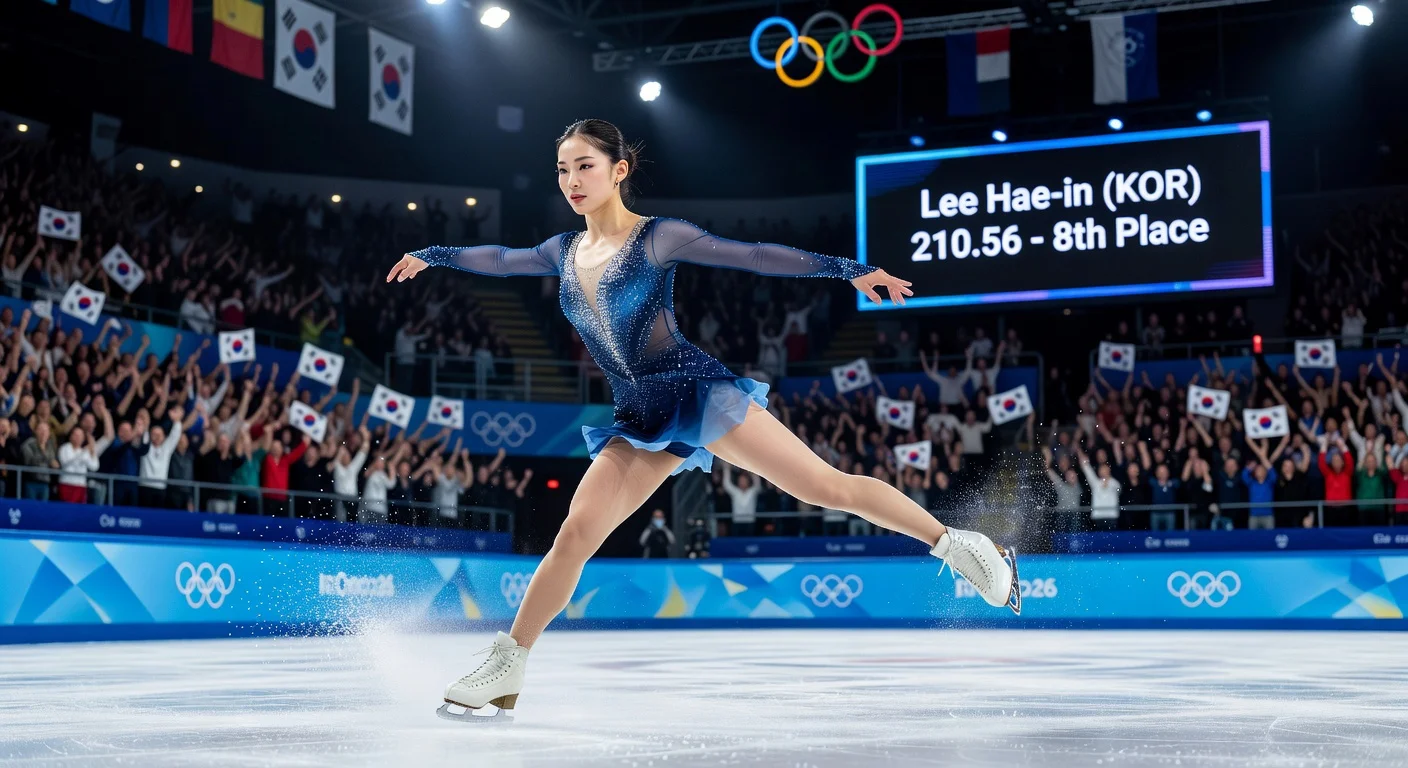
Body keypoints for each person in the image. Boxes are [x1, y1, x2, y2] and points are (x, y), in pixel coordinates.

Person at [386, 119, 1020, 722]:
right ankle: (509, 665)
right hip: (638, 417)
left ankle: (963, 546)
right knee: (576, 533)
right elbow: (501, 259)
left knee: (825, 487)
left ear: (619, 170)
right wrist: (434, 253)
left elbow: (754, 255)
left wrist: (848, 270)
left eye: (585, 166)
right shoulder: (562, 250)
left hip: (697, 393)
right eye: (562, 169)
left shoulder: (658, 237)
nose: (571, 180)